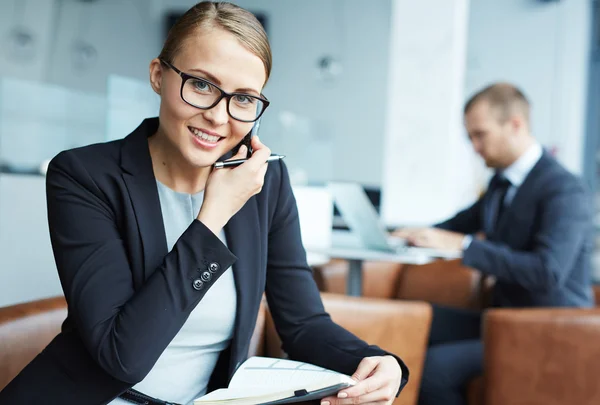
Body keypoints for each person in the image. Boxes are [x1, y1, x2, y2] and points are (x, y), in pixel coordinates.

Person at [0, 2, 406, 404]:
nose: (218, 115)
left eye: (244, 98)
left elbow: (304, 325)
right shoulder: (85, 176)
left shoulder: (267, 182)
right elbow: (122, 355)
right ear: (158, 75)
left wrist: (378, 361)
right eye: (202, 85)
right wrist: (212, 217)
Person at [394, 83, 594, 405]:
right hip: (501, 319)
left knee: (434, 369)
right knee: (409, 321)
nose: (474, 146)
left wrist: (464, 246)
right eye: (470, 137)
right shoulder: (502, 183)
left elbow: (548, 271)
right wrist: (408, 234)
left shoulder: (564, 189)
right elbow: (456, 225)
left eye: (480, 134)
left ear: (515, 124)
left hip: (546, 330)